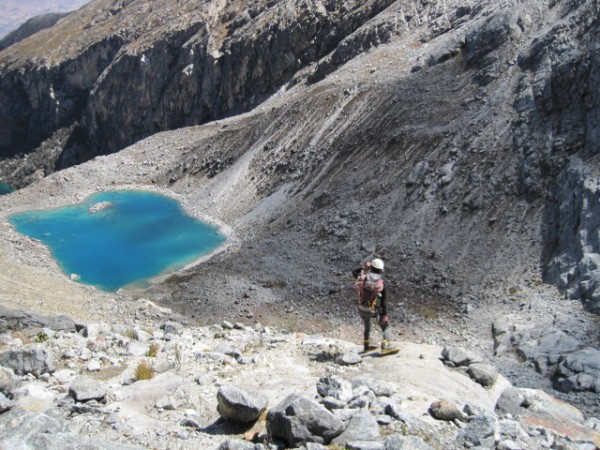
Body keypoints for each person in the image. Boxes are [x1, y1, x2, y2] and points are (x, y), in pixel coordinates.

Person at [353, 258, 393, 352]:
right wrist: (385, 315)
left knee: (367, 326)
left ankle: (366, 346)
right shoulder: (381, 283)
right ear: (381, 270)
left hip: (361, 309)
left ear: (371, 267)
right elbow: (384, 302)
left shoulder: (363, 278)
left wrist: (364, 267)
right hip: (373, 310)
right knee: (386, 326)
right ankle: (386, 346)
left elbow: (354, 272)